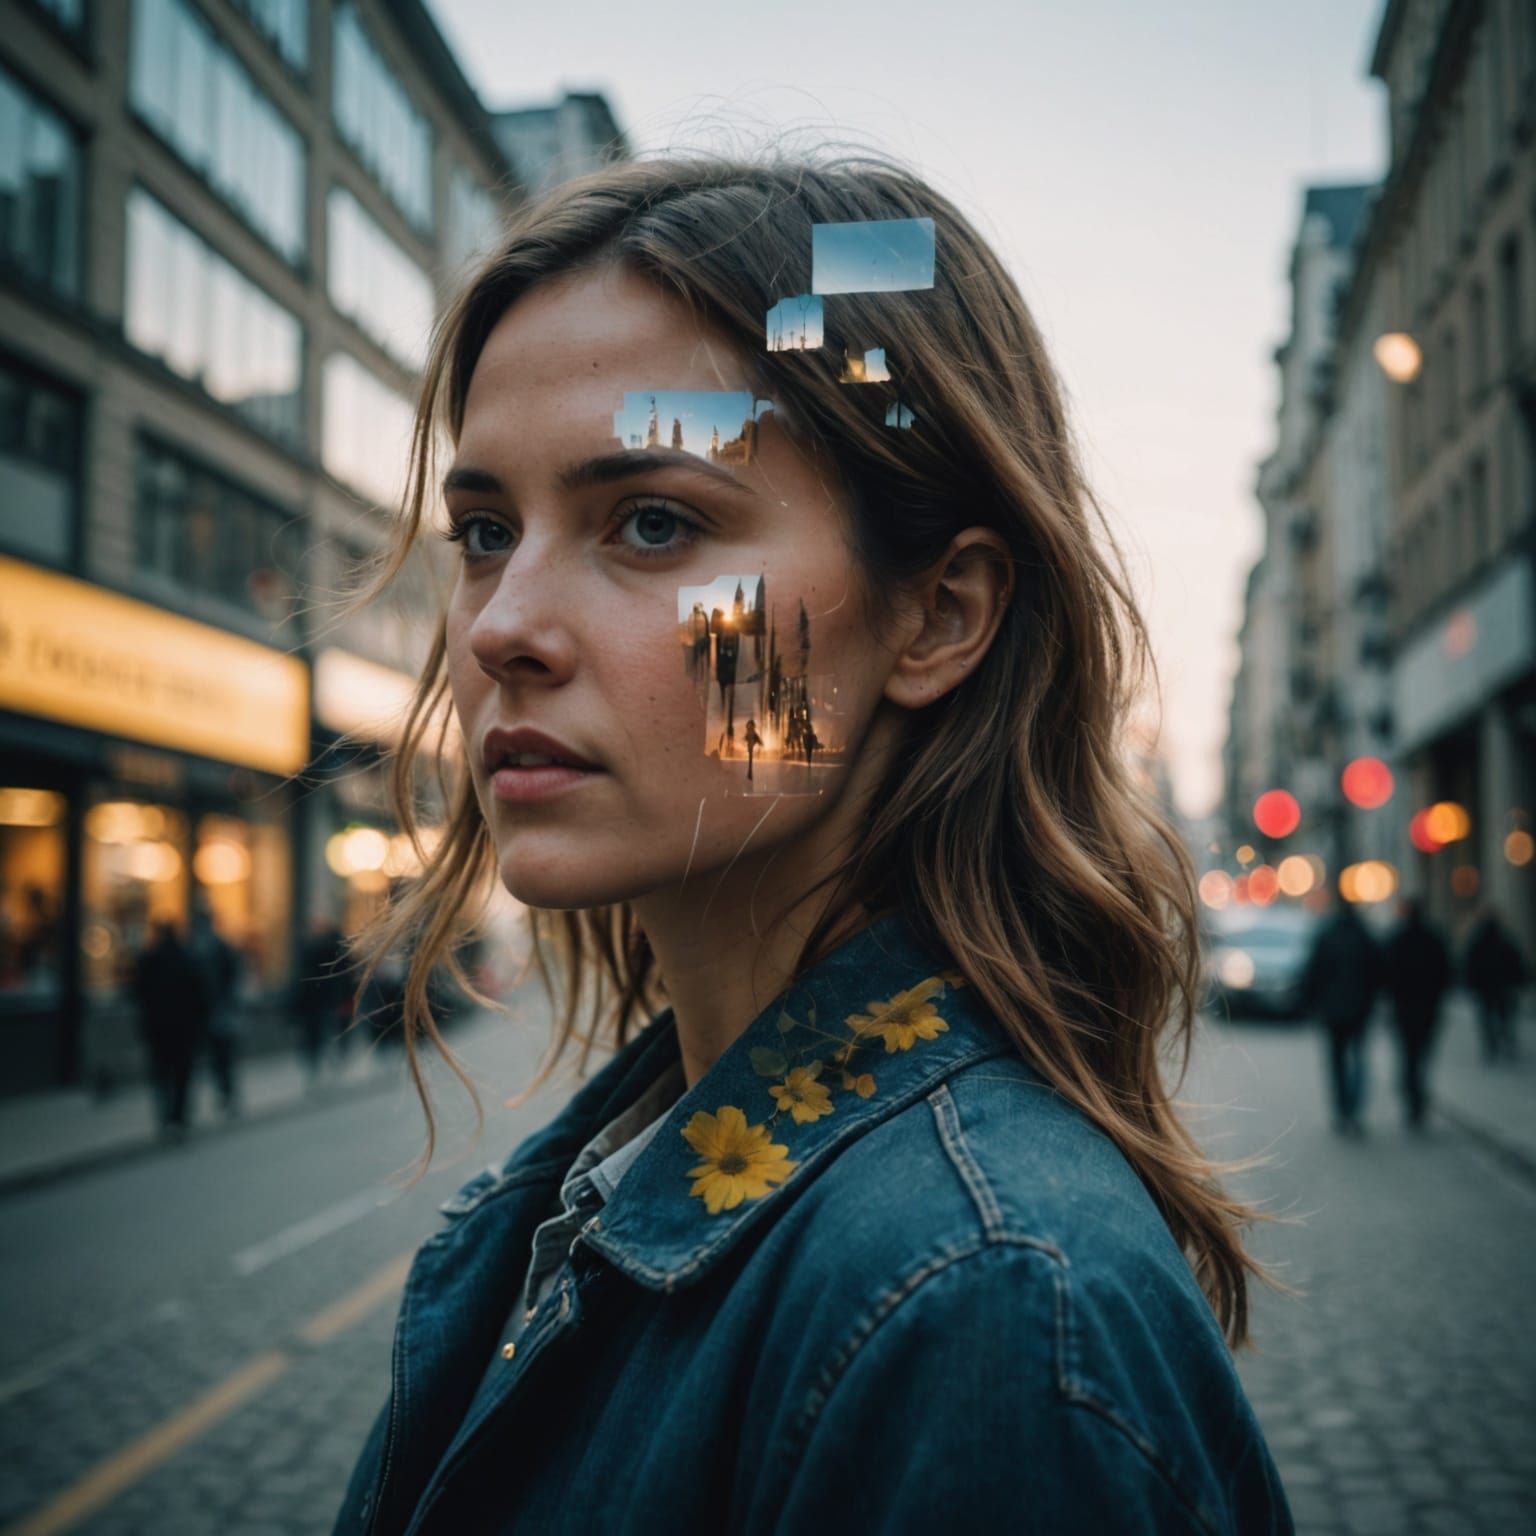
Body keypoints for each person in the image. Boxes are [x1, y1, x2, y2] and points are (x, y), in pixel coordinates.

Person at [328, 156, 1294, 1534]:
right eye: (486, 531)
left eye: (653, 522)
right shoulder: (629, 1175)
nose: (499, 628)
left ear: (937, 616)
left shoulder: (981, 1312)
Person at [1300, 893, 1382, 1138]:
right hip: (1360, 1011)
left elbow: (1313, 972)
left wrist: (1311, 1003)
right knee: (1358, 1060)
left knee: (1337, 1062)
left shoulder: (1327, 936)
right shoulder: (1365, 937)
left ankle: (1341, 1109)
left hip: (1333, 1011)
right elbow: (1378, 974)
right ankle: (1354, 1109)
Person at [1381, 896, 1451, 1132]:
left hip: (1404, 1009)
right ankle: (1416, 1097)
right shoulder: (1433, 938)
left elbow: (1386, 975)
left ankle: (1412, 1096)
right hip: (1427, 1009)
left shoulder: (1397, 939)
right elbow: (1445, 972)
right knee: (1421, 1056)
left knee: (1408, 1056)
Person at [132, 918, 206, 1139]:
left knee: (161, 1072)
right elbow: (202, 995)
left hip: (158, 1027)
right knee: (182, 1073)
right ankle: (179, 1116)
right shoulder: (189, 959)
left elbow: (138, 993)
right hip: (185, 1028)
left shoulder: (149, 959)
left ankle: (165, 1115)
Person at [187, 898, 244, 1116]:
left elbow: (232, 979)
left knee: (220, 1058)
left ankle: (226, 1095)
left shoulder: (209, 948)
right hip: (207, 1013)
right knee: (218, 1058)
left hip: (215, 1013)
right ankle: (224, 1095)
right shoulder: (199, 948)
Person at [1462, 904, 1528, 1062]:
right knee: (1504, 1016)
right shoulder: (1503, 940)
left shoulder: (1478, 942)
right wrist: (1520, 980)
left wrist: (1471, 983)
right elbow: (1515, 962)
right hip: (1502, 987)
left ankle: (1492, 1044)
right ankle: (1504, 1040)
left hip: (1487, 987)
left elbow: (1471, 965)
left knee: (1488, 1017)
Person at [294, 915, 351, 1083]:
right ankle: (324, 1062)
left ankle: (319, 1063)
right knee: (324, 1032)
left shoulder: (320, 950)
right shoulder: (333, 950)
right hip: (324, 1001)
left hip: (324, 1000)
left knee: (320, 1032)